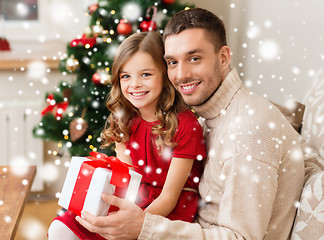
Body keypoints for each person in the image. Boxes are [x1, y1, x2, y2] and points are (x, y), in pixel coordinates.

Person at [75, 7, 306, 240]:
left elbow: (241, 237)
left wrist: (144, 227)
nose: (181, 75)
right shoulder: (205, 114)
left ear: (224, 57)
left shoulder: (247, 132)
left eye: (194, 58)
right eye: (172, 62)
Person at [48, 31, 206, 240]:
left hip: (168, 211)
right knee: (64, 227)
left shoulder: (185, 125)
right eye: (126, 76)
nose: (135, 84)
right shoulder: (123, 120)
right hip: (135, 199)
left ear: (164, 74)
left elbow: (169, 197)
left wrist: (132, 224)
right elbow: (128, 181)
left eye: (146, 74)